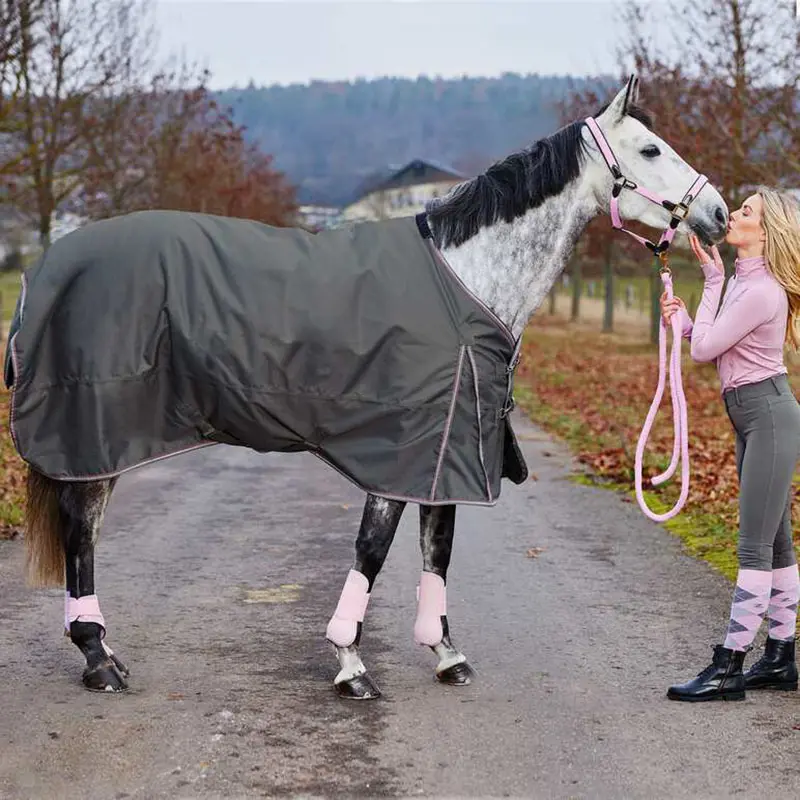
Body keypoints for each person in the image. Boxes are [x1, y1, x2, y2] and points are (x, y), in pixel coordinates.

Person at [661, 187, 800, 702]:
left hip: (767, 414)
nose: (735, 215)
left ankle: (729, 667)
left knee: (753, 546)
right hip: (752, 415)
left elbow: (702, 352)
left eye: (746, 212)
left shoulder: (762, 291)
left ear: (765, 232)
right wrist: (683, 317)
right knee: (778, 543)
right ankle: (781, 656)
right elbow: (710, 340)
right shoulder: (748, 283)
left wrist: (712, 280)